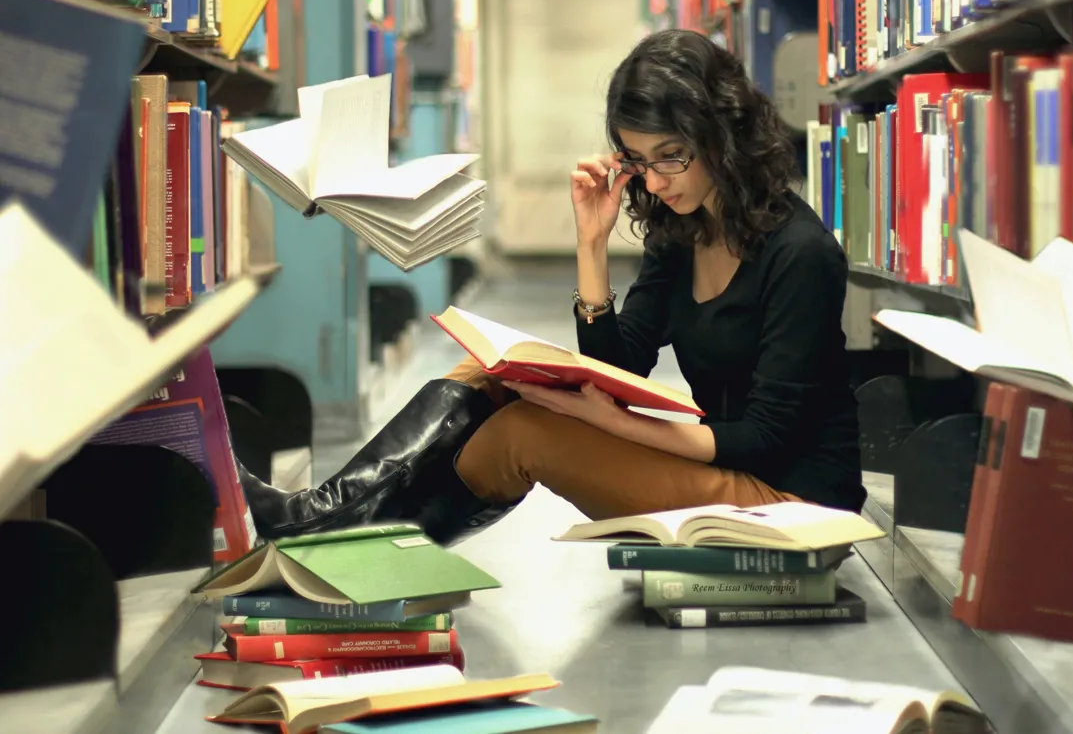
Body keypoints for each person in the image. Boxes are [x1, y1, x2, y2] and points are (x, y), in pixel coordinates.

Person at [238, 29, 865, 545]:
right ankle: (322, 521)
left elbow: (767, 436)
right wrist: (591, 242)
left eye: (672, 155)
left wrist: (611, 424)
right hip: (724, 464)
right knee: (482, 376)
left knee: (526, 435)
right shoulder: (685, 226)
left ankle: (330, 537)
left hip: (790, 502)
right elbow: (619, 363)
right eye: (639, 162)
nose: (656, 180)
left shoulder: (801, 254)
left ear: (722, 135)